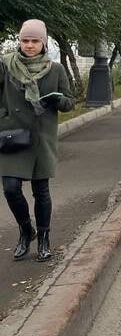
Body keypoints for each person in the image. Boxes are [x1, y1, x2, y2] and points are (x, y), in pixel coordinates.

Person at [0, 20, 74, 262]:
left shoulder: (56, 70)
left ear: (43, 43)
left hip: (42, 136)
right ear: (19, 42)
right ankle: (26, 230)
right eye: (25, 40)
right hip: (12, 136)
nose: (29, 45)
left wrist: (57, 101)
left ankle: (43, 238)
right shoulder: (6, 65)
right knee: (10, 188)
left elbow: (69, 103)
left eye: (34, 41)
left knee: (41, 191)